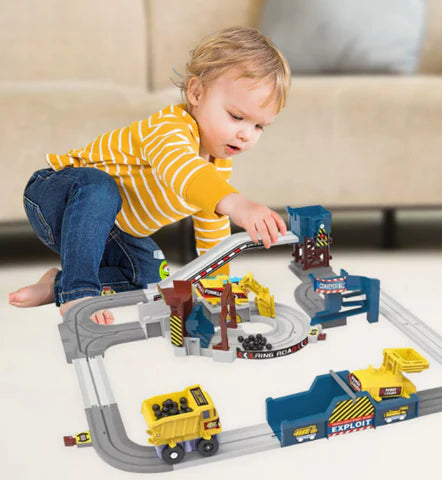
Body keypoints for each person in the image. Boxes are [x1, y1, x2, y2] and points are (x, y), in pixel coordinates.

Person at [8, 26, 290, 324]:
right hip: (58, 199)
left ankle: (61, 284)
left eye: (259, 126)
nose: (246, 134)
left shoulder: (216, 171)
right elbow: (181, 170)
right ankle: (79, 292)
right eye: (236, 116)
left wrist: (219, 295)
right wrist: (237, 204)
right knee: (100, 187)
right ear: (196, 93)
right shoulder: (170, 128)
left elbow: (213, 240)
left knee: (153, 273)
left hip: (108, 232)